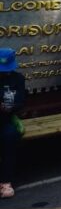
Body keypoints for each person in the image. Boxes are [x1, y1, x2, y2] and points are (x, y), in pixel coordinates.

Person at [0, 48, 25, 198]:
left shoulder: (18, 79)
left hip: (5, 120)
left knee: (10, 136)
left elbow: (21, 103)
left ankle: (5, 181)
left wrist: (7, 108)